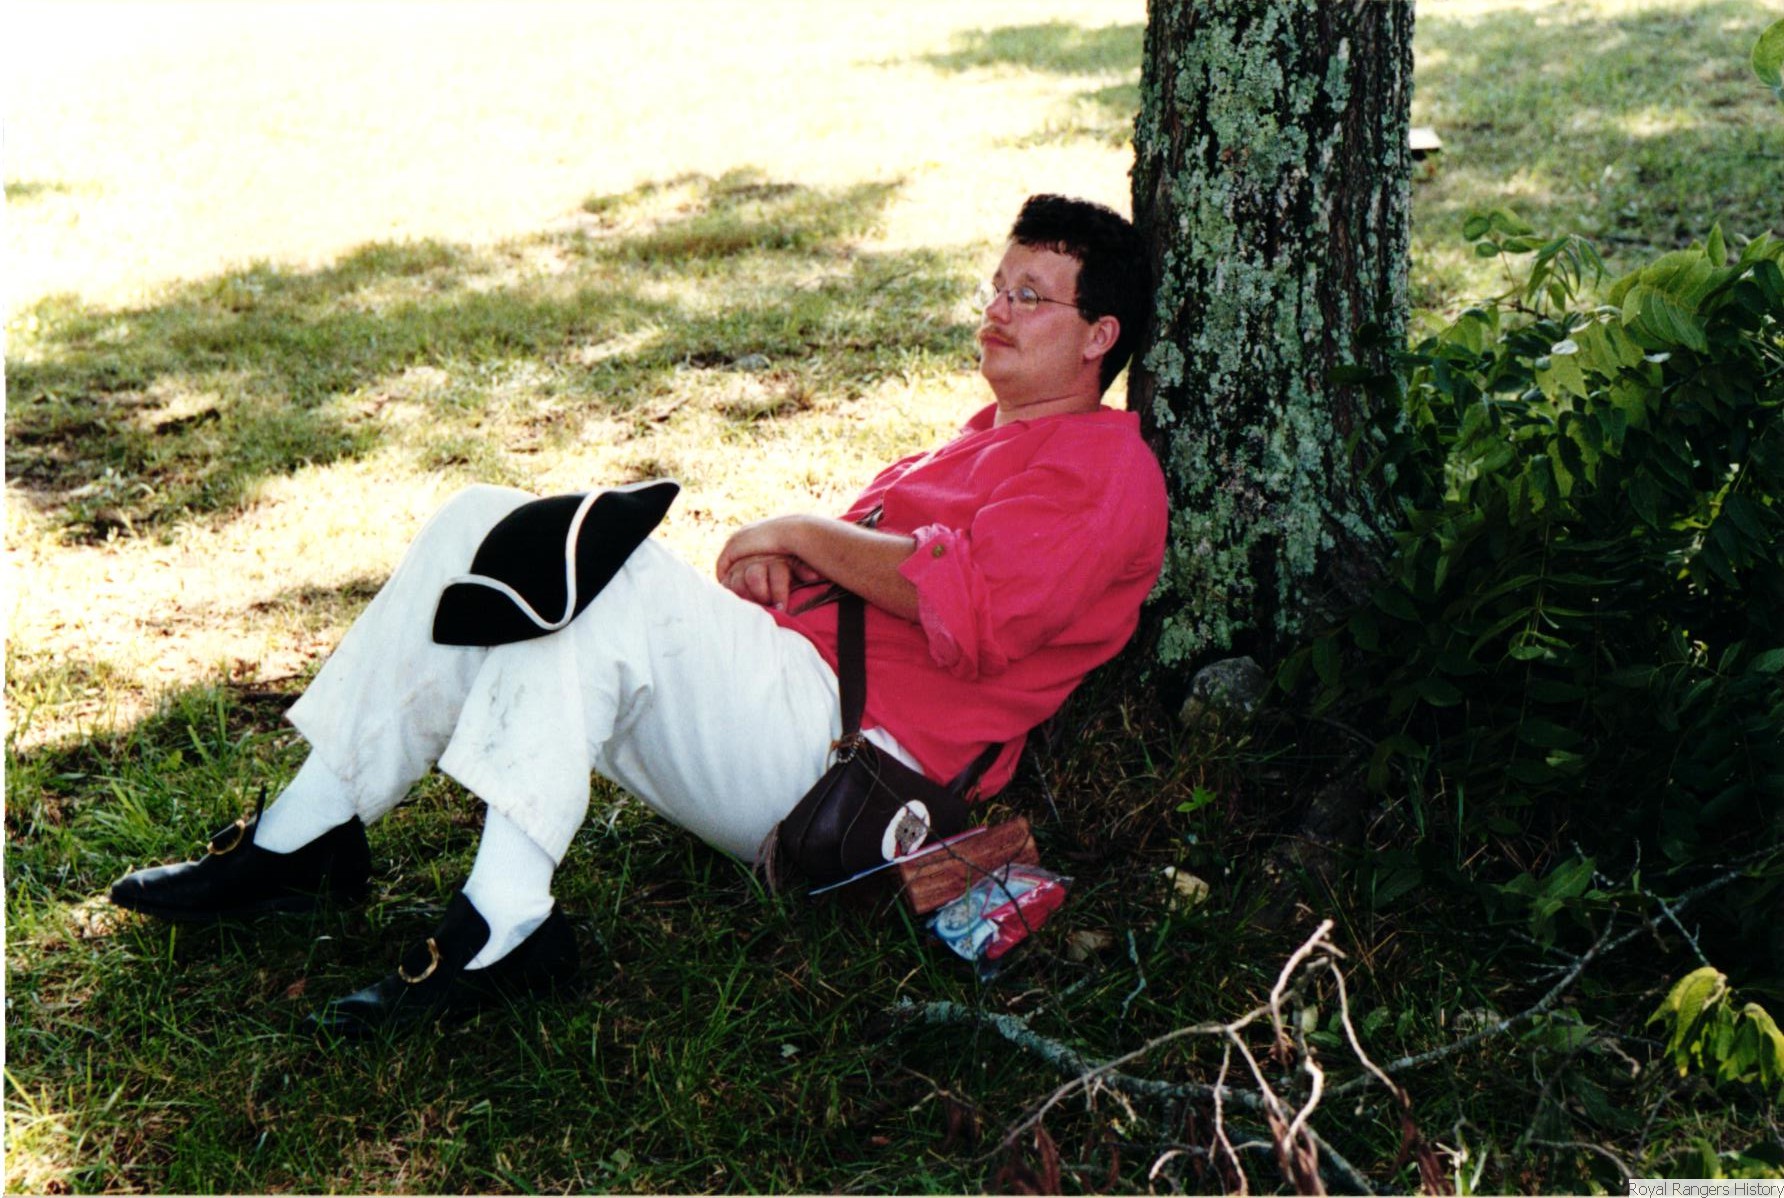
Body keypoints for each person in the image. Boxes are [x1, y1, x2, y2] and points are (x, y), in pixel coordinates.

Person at [107, 194, 1169, 1034]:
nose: (996, 309)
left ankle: (501, 922)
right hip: (785, 715)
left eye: (1031, 295)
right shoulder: (970, 442)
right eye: (995, 286)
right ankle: (305, 836)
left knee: (599, 581)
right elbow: (880, 583)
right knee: (481, 520)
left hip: (853, 770)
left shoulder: (1103, 465)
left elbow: (975, 609)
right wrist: (786, 573)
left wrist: (802, 532)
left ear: (1099, 336)